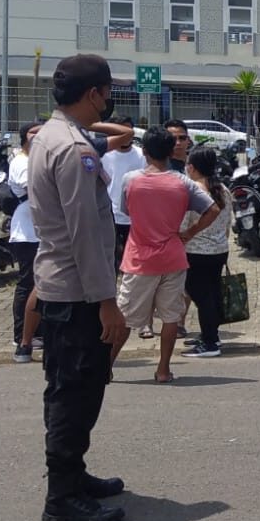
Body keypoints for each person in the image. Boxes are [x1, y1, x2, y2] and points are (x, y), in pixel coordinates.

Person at [27, 54, 127, 521]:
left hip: (63, 286)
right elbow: (85, 233)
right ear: (94, 95)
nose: (108, 100)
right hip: (77, 293)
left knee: (72, 386)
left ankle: (75, 475)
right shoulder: (74, 149)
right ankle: (61, 497)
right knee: (75, 392)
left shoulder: (53, 135)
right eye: (106, 93)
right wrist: (107, 301)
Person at [109, 127, 221, 383]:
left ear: (145, 152)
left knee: (125, 318)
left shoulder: (131, 179)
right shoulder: (183, 182)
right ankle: (163, 369)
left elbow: (125, 210)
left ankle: (107, 365)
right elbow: (213, 209)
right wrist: (191, 232)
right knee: (171, 317)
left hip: (139, 258)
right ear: (172, 151)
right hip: (173, 255)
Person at [181, 147, 232, 358]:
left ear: (192, 167)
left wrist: (182, 235)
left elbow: (184, 222)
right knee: (212, 293)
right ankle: (211, 334)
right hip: (219, 249)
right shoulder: (222, 189)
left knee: (202, 297)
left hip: (197, 250)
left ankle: (210, 344)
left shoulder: (193, 190)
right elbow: (228, 221)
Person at [10, 123, 44, 363]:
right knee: (28, 284)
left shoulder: (38, 159)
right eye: (35, 133)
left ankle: (37, 332)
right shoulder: (21, 161)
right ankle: (21, 334)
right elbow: (31, 186)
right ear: (24, 138)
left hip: (42, 230)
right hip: (26, 232)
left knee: (41, 283)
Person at [101, 117, 144, 270]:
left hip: (135, 216)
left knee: (133, 257)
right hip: (109, 213)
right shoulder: (104, 155)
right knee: (110, 257)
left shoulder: (141, 155)